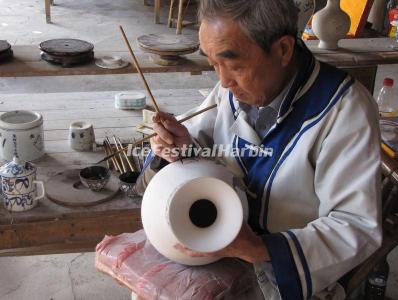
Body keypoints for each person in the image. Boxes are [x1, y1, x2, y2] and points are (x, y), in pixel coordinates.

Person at [138, 0, 382, 299]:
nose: (224, 81)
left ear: (282, 50)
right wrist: (179, 148)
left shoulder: (344, 110)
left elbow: (356, 226)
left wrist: (257, 248)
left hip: (288, 276)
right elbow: (202, 147)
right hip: (217, 254)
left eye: (234, 65)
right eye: (214, 65)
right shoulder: (231, 90)